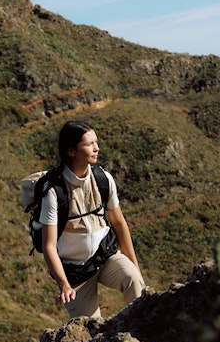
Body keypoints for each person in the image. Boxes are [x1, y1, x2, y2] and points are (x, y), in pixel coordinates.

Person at [40, 120, 146, 319]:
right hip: (75, 272)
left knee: (134, 280)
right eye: (89, 144)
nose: (97, 148)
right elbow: (49, 246)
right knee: (89, 328)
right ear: (72, 151)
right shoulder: (54, 191)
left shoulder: (103, 179)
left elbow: (118, 222)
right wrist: (64, 284)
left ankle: (141, 337)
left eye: (96, 142)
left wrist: (134, 266)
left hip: (105, 256)